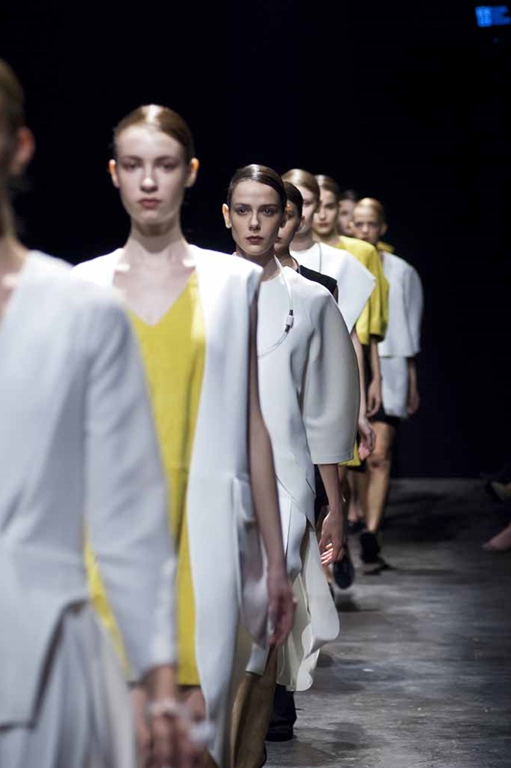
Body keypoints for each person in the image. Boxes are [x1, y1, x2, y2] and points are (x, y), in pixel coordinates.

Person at [74, 105, 294, 768]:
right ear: (113, 174)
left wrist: (276, 559)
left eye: (164, 165)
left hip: (204, 544)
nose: (149, 181)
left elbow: (253, 420)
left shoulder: (233, 282)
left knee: (194, 748)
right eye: (133, 165)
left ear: (189, 173)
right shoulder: (81, 287)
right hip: (104, 542)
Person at [0, 60, 187, 768]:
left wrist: (159, 683)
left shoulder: (79, 310)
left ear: (19, 146)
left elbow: (127, 512)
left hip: (46, 671)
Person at [223, 165, 360, 768]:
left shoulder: (312, 300)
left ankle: (245, 754)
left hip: (286, 481)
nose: (255, 222)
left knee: (262, 629)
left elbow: (328, 409)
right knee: (223, 630)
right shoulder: (201, 289)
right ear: (226, 216)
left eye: (267, 211)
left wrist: (335, 505)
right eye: (243, 210)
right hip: (212, 478)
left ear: (286, 219)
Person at [350, 197, 423, 572]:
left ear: (383, 228)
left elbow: (410, 326)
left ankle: (371, 532)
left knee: (380, 453)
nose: (365, 230)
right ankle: (361, 516)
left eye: (371, 224)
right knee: (357, 458)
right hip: (352, 363)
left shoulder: (402, 271)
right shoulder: (345, 261)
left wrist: (411, 380)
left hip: (391, 365)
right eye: (358, 223)